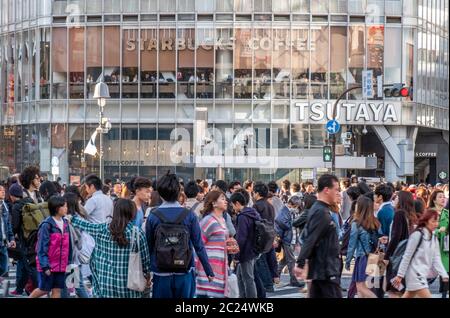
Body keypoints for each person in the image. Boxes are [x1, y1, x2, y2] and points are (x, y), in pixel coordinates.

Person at [145, 172, 214, 298]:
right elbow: (198, 245)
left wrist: (146, 271)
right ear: (179, 192)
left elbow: (148, 246)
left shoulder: (153, 216)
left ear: (160, 193)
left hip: (161, 272)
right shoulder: (189, 215)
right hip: (185, 271)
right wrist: (208, 270)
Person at [68, 199, 151, 298]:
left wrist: (71, 218)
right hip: (130, 288)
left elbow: (85, 225)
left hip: (105, 286)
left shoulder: (102, 229)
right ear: (132, 213)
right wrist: (147, 278)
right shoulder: (137, 234)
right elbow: (145, 263)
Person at [294, 174, 342, 298]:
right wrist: (300, 263)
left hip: (321, 270)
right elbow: (311, 238)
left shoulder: (320, 209)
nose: (338, 193)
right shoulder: (321, 211)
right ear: (327, 190)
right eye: (336, 189)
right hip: (325, 270)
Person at [391, 209, 449, 298]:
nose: (436, 224)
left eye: (437, 221)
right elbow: (407, 256)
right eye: (433, 221)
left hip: (421, 275)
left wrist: (444, 274)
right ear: (426, 221)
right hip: (415, 275)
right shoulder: (417, 235)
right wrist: (400, 275)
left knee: (408, 295)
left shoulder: (433, 238)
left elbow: (436, 259)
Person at [30, 196, 72, 298]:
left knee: (57, 290)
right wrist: (45, 266)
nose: (67, 208)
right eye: (64, 206)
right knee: (43, 289)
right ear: (57, 208)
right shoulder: (47, 225)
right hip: (48, 265)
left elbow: (69, 246)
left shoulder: (66, 223)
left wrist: (69, 262)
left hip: (61, 265)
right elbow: (41, 248)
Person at [382, 191, 418, 298]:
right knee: (402, 290)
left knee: (393, 291)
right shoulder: (410, 215)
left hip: (396, 257)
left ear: (402, 200)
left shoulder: (399, 214)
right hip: (406, 256)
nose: (394, 200)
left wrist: (386, 256)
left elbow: (396, 237)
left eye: (396, 197)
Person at [345, 196, 381, 298]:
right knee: (366, 289)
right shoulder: (375, 222)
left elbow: (352, 245)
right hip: (375, 257)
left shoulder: (356, 224)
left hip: (363, 258)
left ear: (360, 207)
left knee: (360, 287)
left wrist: (347, 261)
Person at [196, 190, 230, 298]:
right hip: (206, 270)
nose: (226, 201)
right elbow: (198, 244)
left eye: (225, 199)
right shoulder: (208, 220)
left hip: (220, 268)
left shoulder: (223, 220)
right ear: (214, 203)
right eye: (222, 199)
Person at [9, 183, 38, 296]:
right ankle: (20, 289)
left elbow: (15, 226)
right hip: (34, 237)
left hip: (24, 240)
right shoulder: (29, 201)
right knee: (26, 265)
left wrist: (14, 235)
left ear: (12, 195)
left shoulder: (16, 206)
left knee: (28, 266)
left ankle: (40, 287)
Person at [61, 192, 89, 298]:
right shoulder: (78, 216)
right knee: (70, 284)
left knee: (75, 284)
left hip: (71, 257)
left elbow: (75, 239)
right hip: (74, 256)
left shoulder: (70, 219)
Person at [231, 190, 258, 298]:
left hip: (245, 253)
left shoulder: (242, 217)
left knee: (248, 280)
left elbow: (241, 238)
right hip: (252, 250)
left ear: (237, 203)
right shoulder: (252, 212)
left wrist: (236, 256)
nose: (232, 208)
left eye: (233, 205)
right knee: (240, 277)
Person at [253, 182, 278, 294]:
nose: (253, 194)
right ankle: (271, 280)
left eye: (254, 192)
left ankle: (267, 284)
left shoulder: (257, 206)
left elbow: (255, 224)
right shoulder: (270, 206)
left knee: (261, 261)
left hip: (261, 237)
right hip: (270, 235)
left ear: (257, 193)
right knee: (269, 259)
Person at [275, 195, 304, 288]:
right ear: (291, 204)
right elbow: (280, 221)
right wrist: (292, 223)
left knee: (284, 260)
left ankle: (275, 276)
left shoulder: (289, 211)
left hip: (292, 238)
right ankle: (293, 280)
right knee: (291, 260)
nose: (296, 208)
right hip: (287, 239)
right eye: (295, 206)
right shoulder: (284, 210)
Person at [0, 185, 16, 277]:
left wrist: (12, 238)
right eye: (0, 190)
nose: (3, 192)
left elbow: (8, 224)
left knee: (5, 269)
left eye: (3, 190)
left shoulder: (4, 205)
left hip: (4, 242)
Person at [437, 201, 449, 298]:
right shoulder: (434, 212)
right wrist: (438, 231)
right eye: (440, 197)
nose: (442, 199)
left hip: (445, 244)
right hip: (442, 243)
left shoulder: (446, 212)